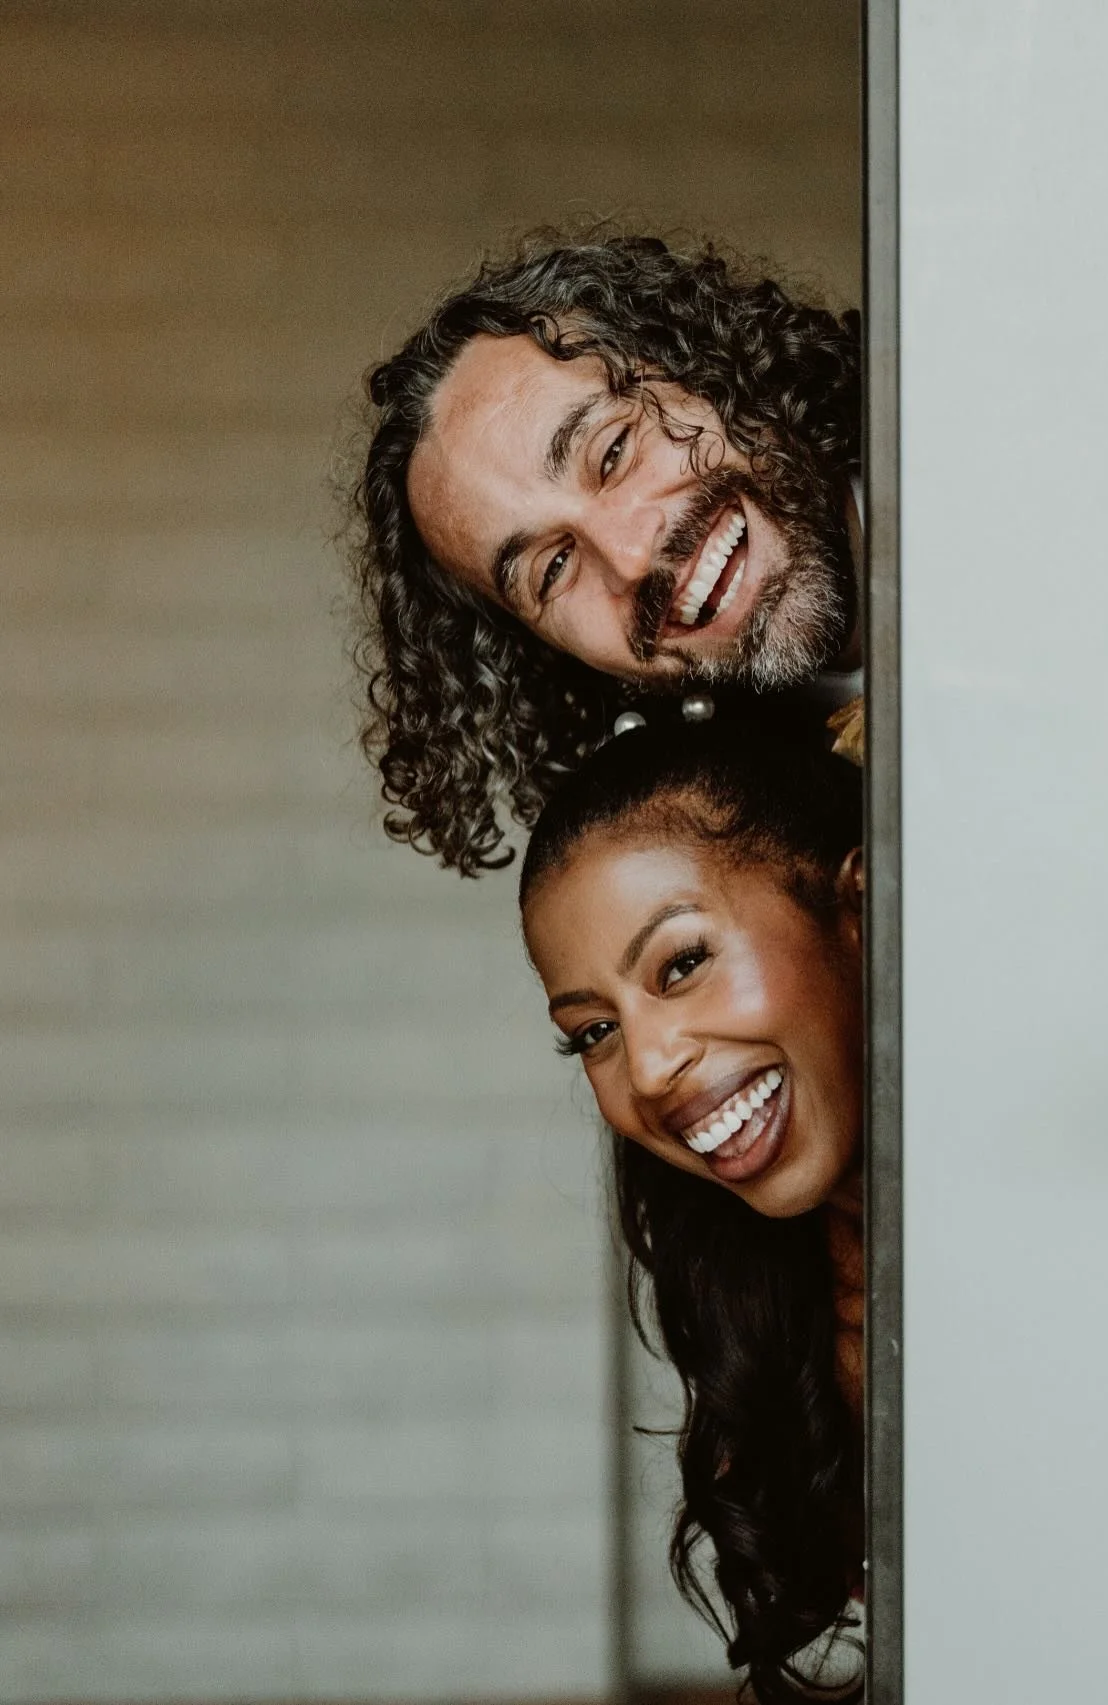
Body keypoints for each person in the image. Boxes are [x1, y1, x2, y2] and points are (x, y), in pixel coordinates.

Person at [519, 719, 866, 1703]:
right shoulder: (774, 1312)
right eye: (592, 1031)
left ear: (857, 905)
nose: (650, 1064)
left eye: (678, 964)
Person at [347, 230, 863, 874]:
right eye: (554, 569)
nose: (629, 558)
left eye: (614, 451)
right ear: (553, 658)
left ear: (708, 360)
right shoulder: (750, 867)